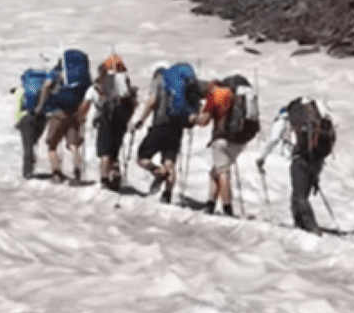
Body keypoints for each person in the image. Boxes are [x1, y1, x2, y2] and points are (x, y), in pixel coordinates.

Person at [256, 96, 335, 233]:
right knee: (300, 193)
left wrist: (261, 158)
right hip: (317, 159)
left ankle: (311, 226)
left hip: (300, 159)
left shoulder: (285, 120)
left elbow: (274, 139)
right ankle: (299, 224)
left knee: (300, 196)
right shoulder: (315, 117)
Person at [134, 63, 200, 204]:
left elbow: (152, 101)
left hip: (160, 125)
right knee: (169, 162)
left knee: (141, 157)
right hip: (177, 127)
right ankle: (167, 195)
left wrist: (141, 120)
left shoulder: (159, 80)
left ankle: (158, 171)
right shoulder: (180, 85)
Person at [33, 50, 92, 183]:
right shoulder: (83, 75)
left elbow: (46, 87)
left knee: (52, 144)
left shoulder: (57, 72)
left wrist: (40, 106)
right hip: (76, 112)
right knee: (74, 145)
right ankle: (77, 172)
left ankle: (56, 173)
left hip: (58, 112)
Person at [189, 78, 241, 215]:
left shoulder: (215, 95)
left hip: (222, 139)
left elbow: (204, 121)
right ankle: (210, 204)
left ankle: (227, 208)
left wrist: (194, 118)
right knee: (215, 172)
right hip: (239, 141)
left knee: (222, 172)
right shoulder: (234, 95)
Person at [89, 55, 136, 191]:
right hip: (122, 115)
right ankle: (115, 175)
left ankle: (104, 179)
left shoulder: (102, 80)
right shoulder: (124, 79)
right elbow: (132, 101)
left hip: (108, 115)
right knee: (115, 148)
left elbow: (101, 98)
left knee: (105, 149)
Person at [12, 68, 51, 179]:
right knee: (33, 143)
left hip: (26, 118)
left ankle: (27, 171)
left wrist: (16, 121)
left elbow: (16, 107)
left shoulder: (21, 90)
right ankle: (31, 167)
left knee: (28, 145)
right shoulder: (44, 89)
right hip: (41, 118)